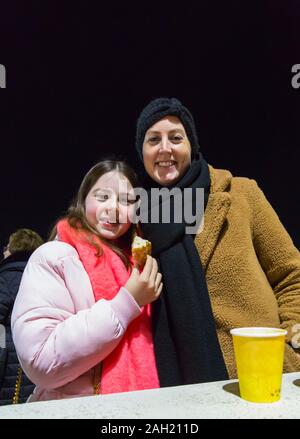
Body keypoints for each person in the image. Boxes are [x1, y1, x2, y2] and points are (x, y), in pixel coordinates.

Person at [134, 97, 300, 387]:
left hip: (259, 375)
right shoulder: (136, 216)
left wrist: (289, 340)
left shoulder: (240, 193)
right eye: (153, 140)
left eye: (176, 137)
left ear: (192, 145)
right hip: (176, 389)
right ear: (142, 151)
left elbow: (291, 273)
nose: (165, 148)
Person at [11, 160, 163, 401]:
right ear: (83, 202)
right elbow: (40, 362)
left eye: (126, 201)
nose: (114, 209)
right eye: (103, 197)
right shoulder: (54, 256)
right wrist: (127, 303)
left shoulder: (137, 265)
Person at [0, 228, 44, 405]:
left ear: (13, 248)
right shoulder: (44, 277)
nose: (4, 250)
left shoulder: (6, 277)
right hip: (36, 359)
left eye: (7, 246)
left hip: (7, 363)